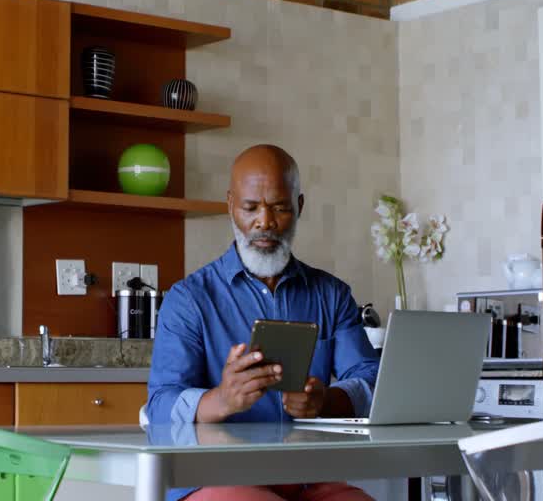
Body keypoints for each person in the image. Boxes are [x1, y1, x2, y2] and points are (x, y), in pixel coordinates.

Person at [145, 145, 380, 501]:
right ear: (230, 206)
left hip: (307, 478)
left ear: (299, 206)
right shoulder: (188, 299)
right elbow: (160, 405)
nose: (265, 222)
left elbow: (371, 380)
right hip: (214, 478)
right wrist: (222, 400)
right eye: (251, 207)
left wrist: (326, 401)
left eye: (280, 208)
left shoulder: (331, 295)